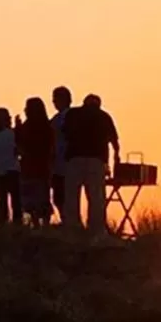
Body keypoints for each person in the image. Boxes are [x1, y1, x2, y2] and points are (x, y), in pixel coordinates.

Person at [63, 94, 120, 234]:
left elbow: (64, 133)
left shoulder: (73, 114)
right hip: (96, 160)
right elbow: (114, 140)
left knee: (72, 195)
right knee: (96, 197)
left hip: (74, 159)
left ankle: (73, 227)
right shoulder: (104, 116)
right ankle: (96, 228)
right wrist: (116, 158)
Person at [15, 98, 56, 227]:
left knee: (32, 197)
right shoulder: (47, 126)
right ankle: (44, 224)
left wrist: (17, 128)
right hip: (41, 167)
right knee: (42, 196)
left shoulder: (27, 127)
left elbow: (19, 145)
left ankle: (36, 223)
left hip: (31, 167)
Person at [0, 107, 22, 225]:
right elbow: (18, 150)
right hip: (12, 170)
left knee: (1, 202)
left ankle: (2, 225)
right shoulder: (12, 134)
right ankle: (17, 225)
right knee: (16, 202)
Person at [49, 87, 73, 222]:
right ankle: (67, 221)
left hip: (64, 163)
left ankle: (68, 221)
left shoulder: (66, 118)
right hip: (59, 164)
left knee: (62, 197)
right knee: (61, 197)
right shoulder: (56, 119)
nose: (53, 102)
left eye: (55, 99)